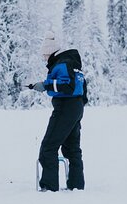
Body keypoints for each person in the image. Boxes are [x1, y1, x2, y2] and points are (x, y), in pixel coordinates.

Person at [28, 31, 88, 192]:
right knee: (71, 148)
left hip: (65, 108)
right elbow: (81, 89)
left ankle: (49, 187)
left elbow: (66, 86)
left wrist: (45, 86)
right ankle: (76, 185)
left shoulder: (62, 64)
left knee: (48, 147)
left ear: (51, 53)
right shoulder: (74, 65)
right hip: (76, 108)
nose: (44, 59)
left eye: (45, 56)